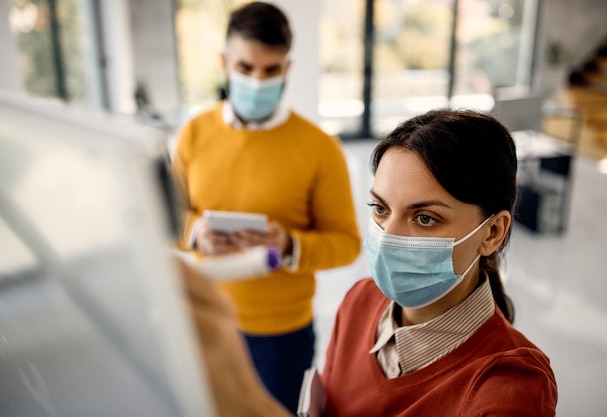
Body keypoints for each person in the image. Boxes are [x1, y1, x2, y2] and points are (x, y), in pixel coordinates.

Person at [178, 108, 558, 416]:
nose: (388, 235)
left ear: (492, 233)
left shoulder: (509, 389)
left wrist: (238, 391)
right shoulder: (359, 301)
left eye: (425, 218)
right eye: (380, 208)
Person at [170, 2, 361, 413]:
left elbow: (347, 243)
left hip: (282, 335)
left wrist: (289, 244)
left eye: (270, 70)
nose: (257, 80)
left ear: (287, 68)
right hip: (204, 319)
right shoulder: (192, 135)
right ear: (224, 63)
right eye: (246, 67)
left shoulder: (319, 148)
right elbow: (167, 220)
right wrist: (196, 232)